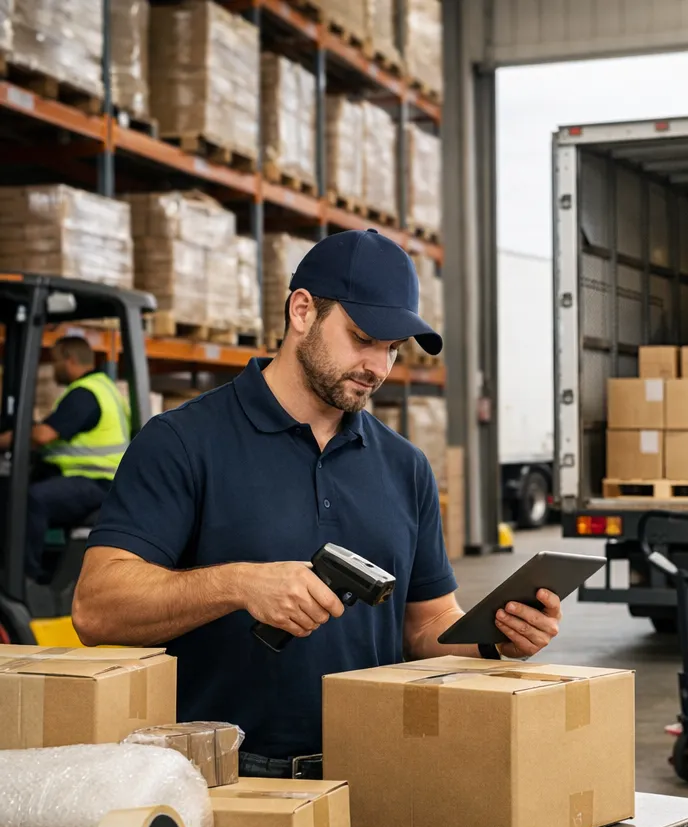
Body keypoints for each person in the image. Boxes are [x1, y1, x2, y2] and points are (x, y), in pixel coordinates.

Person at [72, 229, 562, 779]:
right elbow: (96, 609)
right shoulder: (184, 442)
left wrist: (496, 638)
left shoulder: (406, 466)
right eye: (362, 338)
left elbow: (426, 625)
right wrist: (238, 584)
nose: (378, 367)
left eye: (392, 349)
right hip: (225, 777)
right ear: (302, 310)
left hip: (374, 770)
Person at [0, 335, 129, 581]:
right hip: (96, 479)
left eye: (55, 361)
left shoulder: (85, 393)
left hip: (96, 482)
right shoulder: (103, 387)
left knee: (31, 499)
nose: (53, 368)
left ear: (69, 360)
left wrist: (5, 440)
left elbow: (43, 435)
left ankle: (25, 579)